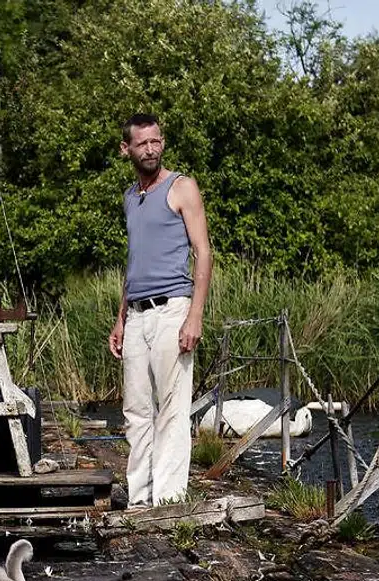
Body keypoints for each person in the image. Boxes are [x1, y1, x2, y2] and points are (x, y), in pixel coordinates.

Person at [107, 113, 212, 507]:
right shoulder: (131, 198)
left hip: (173, 309)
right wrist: (120, 320)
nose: (151, 149)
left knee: (171, 407)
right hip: (136, 313)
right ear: (126, 149)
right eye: (142, 143)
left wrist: (195, 315)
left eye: (156, 141)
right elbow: (134, 262)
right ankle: (139, 498)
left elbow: (203, 253)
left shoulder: (181, 187)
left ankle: (168, 500)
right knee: (135, 408)